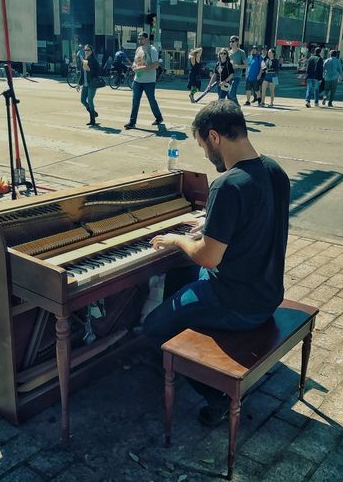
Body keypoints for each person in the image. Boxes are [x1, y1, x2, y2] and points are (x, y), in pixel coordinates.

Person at [144, 99, 290, 426]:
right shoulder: (275, 172)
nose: (207, 155)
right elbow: (257, 223)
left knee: (151, 329)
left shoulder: (227, 185)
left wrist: (178, 239)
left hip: (236, 304)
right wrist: (211, 227)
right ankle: (186, 343)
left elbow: (208, 257)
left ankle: (217, 396)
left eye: (202, 146)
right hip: (267, 294)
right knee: (183, 277)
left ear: (214, 137)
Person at [124, 32, 164, 130]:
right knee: (135, 101)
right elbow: (135, 61)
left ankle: (159, 118)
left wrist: (142, 68)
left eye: (141, 38)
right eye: (139, 38)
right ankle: (132, 122)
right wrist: (134, 66)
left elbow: (155, 65)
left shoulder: (152, 50)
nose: (140, 40)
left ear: (147, 39)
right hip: (137, 79)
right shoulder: (138, 49)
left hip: (149, 81)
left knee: (151, 100)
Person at [78, 44, 100, 126]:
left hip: (92, 84)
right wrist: (78, 84)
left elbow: (97, 72)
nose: (86, 52)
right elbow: (82, 74)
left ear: (91, 51)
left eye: (88, 50)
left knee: (90, 100)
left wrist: (89, 69)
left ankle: (92, 120)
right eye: (85, 50)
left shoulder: (94, 61)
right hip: (85, 84)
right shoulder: (84, 60)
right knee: (83, 100)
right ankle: (93, 112)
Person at [228, 35, 247, 105]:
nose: (231, 43)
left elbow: (245, 65)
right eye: (230, 41)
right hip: (229, 76)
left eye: (233, 41)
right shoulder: (228, 53)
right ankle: (233, 110)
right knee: (229, 95)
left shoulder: (241, 52)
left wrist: (237, 66)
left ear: (237, 42)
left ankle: (238, 107)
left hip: (237, 76)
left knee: (231, 93)